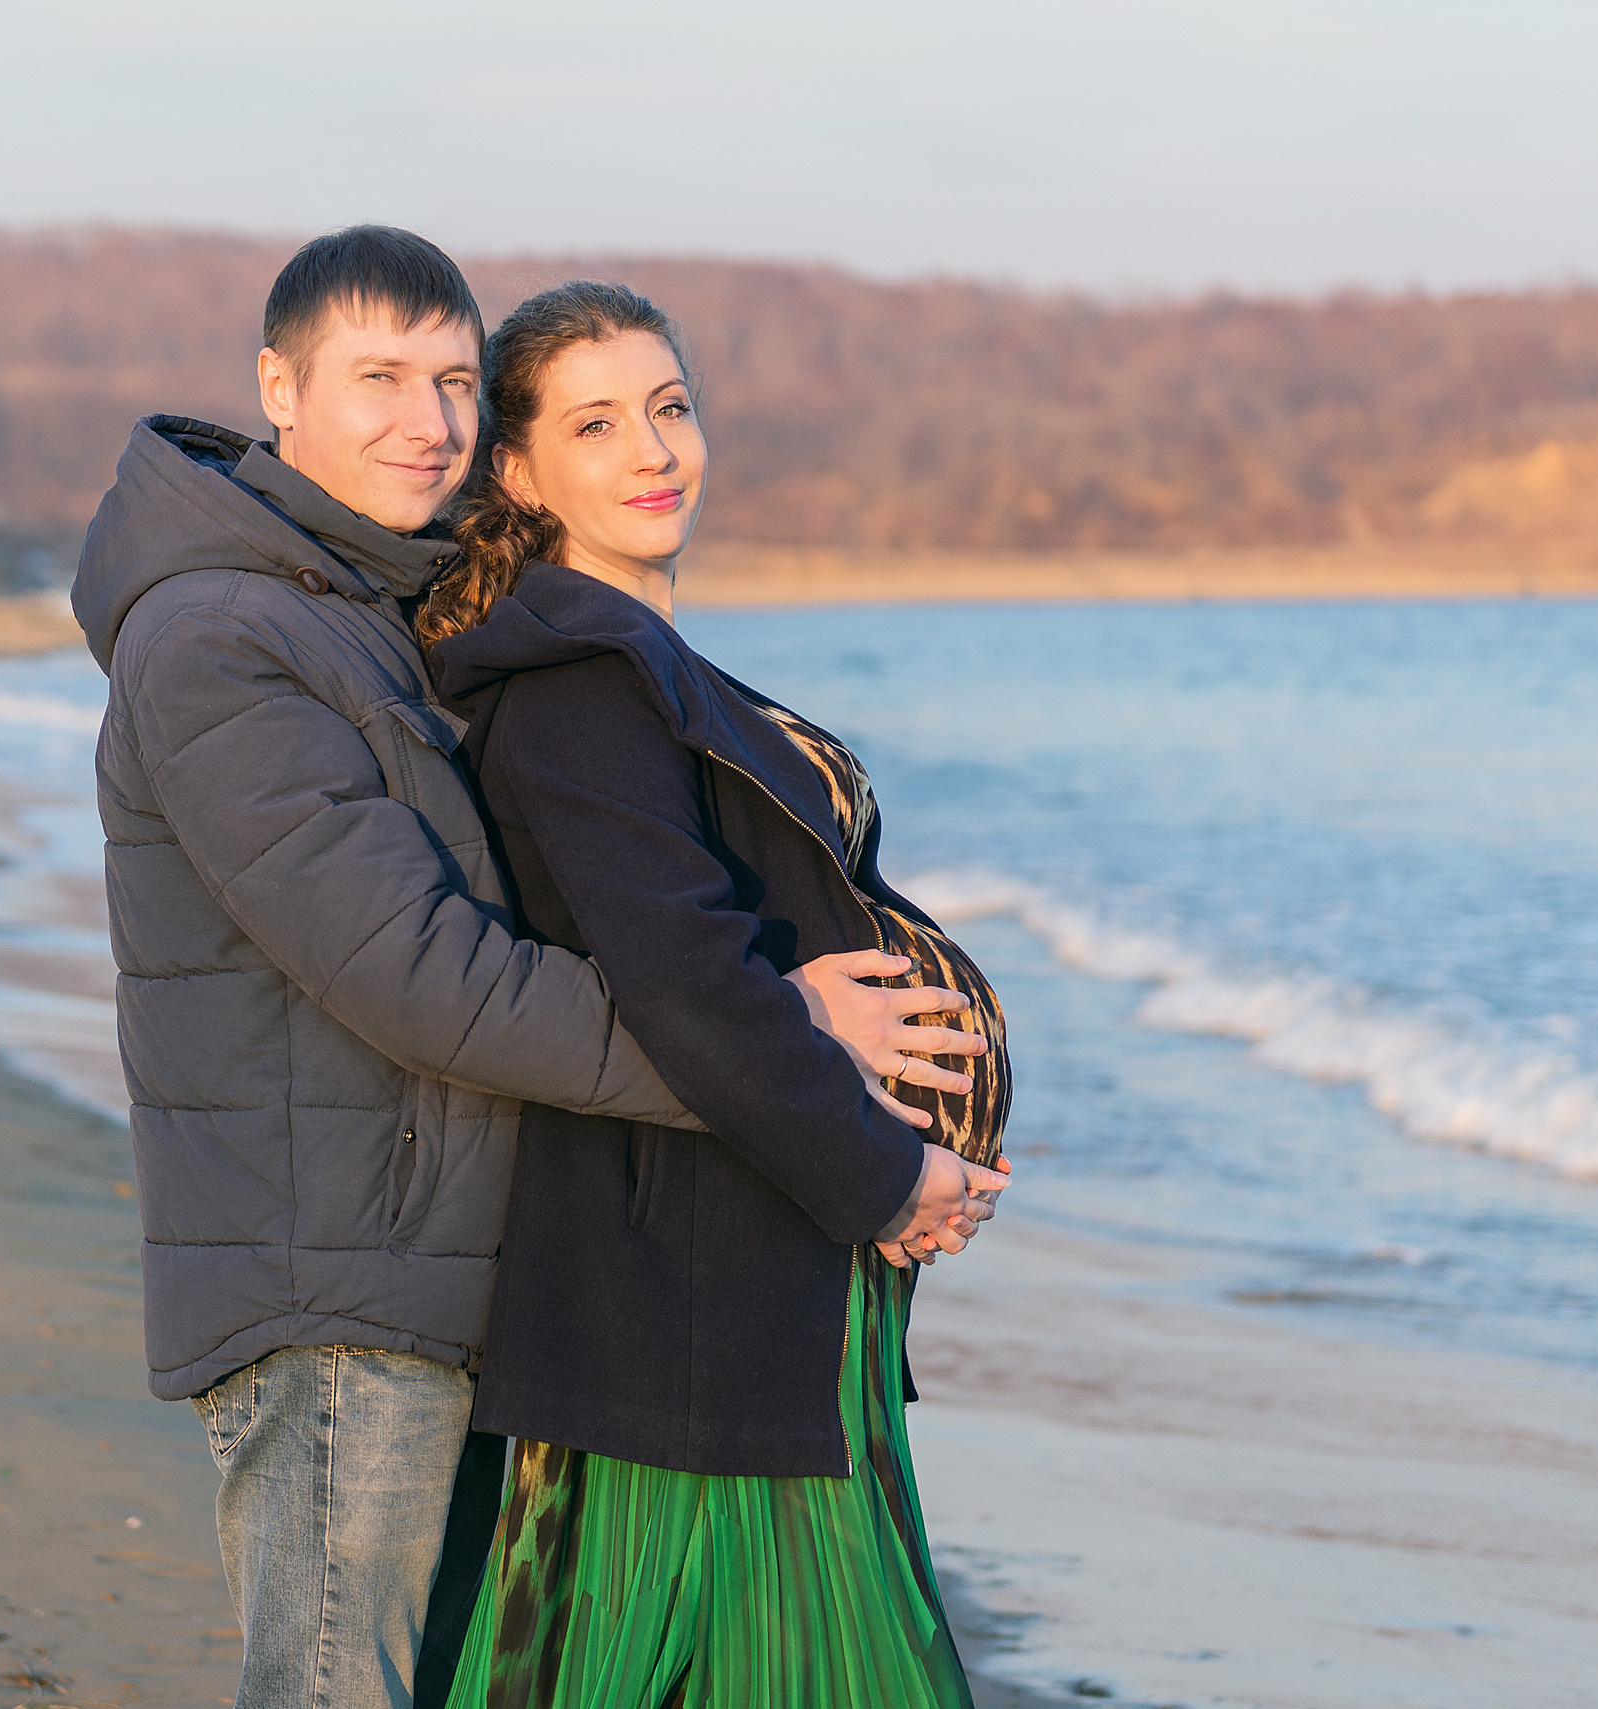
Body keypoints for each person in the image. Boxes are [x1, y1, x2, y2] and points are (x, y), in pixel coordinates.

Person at [70, 227, 992, 1709]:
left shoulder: (356, 612)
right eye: (378, 377)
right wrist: (778, 1049)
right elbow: (423, 972)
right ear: (276, 387)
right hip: (335, 1283)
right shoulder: (221, 639)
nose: (422, 418)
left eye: (448, 378)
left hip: (422, 1255)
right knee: (330, 1685)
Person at [421, 279, 1015, 1708]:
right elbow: (691, 985)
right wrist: (884, 1175)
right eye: (599, 421)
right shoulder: (574, 689)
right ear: (517, 470)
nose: (654, 448)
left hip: (754, 1277)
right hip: (691, 1298)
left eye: (672, 407)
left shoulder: (639, 664)